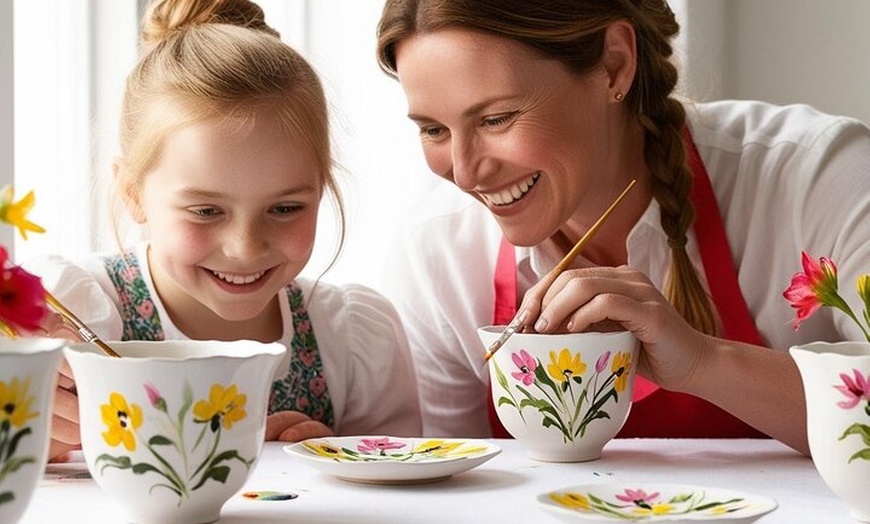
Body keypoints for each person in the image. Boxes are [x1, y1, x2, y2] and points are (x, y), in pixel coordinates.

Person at [374, 0, 870, 455]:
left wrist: (703, 362)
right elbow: (457, 490)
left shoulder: (820, 177)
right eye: (433, 129)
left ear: (614, 63)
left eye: (497, 119)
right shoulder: (438, 251)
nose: (463, 173)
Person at [29, 0, 421, 462]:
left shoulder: (353, 339)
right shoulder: (67, 315)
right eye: (206, 211)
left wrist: (329, 459)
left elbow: (399, 492)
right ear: (132, 192)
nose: (245, 247)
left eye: (286, 207)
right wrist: (26, 441)